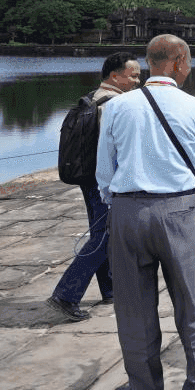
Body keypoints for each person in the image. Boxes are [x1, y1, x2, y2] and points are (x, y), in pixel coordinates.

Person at [97, 34, 195, 390]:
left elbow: (103, 173)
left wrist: (119, 204)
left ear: (149, 63)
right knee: (191, 302)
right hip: (180, 211)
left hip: (127, 210)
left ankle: (144, 384)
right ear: (179, 63)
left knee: (133, 309)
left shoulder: (116, 107)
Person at [46, 52, 141, 323]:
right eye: (132, 75)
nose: (137, 80)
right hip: (105, 181)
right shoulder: (114, 104)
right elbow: (116, 149)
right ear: (115, 76)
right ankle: (66, 294)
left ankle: (110, 289)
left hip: (89, 178)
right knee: (104, 235)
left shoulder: (93, 97)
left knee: (103, 232)